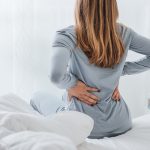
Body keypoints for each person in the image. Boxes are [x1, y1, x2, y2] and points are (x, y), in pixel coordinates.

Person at [48, 0, 150, 139]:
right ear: (112, 7)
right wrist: (119, 72)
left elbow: (56, 76)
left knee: (37, 97)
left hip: (83, 125)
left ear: (81, 6)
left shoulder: (68, 35)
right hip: (120, 123)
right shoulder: (125, 33)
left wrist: (72, 85)